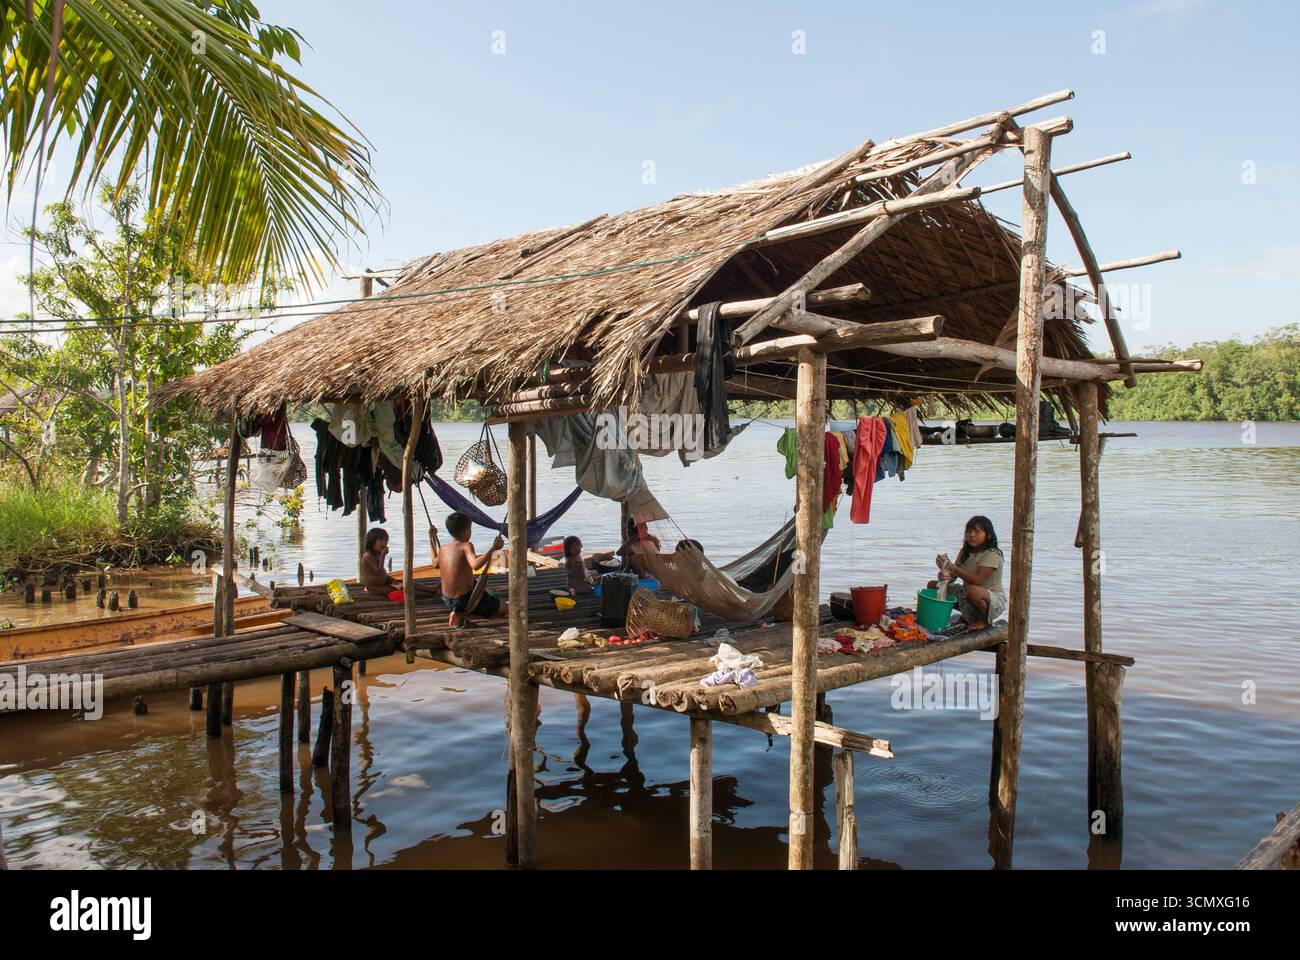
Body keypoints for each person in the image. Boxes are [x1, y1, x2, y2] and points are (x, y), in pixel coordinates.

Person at [929, 515, 1006, 630]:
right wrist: (944, 572)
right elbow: (953, 577)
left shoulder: (993, 554)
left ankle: (984, 620)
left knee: (973, 590)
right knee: (932, 586)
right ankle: (967, 617)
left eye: (977, 532)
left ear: (988, 535)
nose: (971, 535)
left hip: (991, 600)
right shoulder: (965, 551)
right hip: (967, 594)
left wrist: (953, 568)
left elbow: (978, 580)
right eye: (969, 531)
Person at [437, 511, 508, 628]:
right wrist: (493, 549)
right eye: (470, 529)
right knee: (509, 608)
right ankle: (459, 613)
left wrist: (431, 539)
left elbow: (435, 563)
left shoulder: (442, 549)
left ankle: (458, 612)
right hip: (464, 601)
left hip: (447, 599)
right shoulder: (466, 545)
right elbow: (475, 565)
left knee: (477, 585)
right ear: (466, 530)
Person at [359, 528, 440, 600]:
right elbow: (377, 572)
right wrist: (383, 556)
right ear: (372, 542)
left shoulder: (377, 553)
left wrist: (391, 580)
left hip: (385, 581)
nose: (384, 543)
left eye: (386, 540)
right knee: (404, 591)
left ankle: (430, 589)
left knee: (406, 583)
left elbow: (382, 573)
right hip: (375, 588)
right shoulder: (368, 556)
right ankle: (429, 594)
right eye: (381, 541)